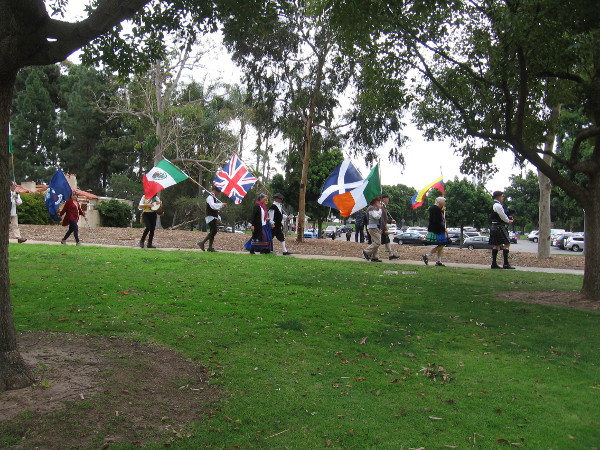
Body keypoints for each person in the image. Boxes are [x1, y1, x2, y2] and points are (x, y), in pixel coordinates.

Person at [489, 190, 515, 269]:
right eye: (502, 196)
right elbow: (502, 216)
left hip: (495, 226)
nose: (503, 197)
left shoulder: (496, 205)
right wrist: (508, 221)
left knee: (496, 245)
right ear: (498, 197)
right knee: (507, 243)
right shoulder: (497, 205)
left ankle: (494, 264)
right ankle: (506, 264)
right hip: (499, 226)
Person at [422, 196, 450, 266]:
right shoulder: (435, 209)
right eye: (443, 202)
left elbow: (440, 218)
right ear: (439, 202)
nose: (444, 203)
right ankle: (427, 255)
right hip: (437, 230)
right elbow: (436, 221)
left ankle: (438, 261)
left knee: (441, 245)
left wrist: (442, 211)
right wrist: (443, 228)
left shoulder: (437, 209)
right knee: (442, 244)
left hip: (439, 229)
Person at [198, 186, 227, 252]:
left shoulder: (213, 197)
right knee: (214, 231)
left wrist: (218, 217)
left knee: (212, 232)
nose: (218, 193)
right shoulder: (210, 197)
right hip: (210, 217)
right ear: (214, 190)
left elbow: (215, 210)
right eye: (217, 191)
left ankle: (210, 247)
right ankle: (202, 243)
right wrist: (221, 204)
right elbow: (213, 206)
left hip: (213, 216)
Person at [362, 197, 383, 262]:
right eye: (378, 201)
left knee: (375, 242)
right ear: (375, 202)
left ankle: (375, 257)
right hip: (372, 227)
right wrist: (380, 209)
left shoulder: (373, 208)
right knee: (378, 242)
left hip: (373, 226)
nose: (379, 203)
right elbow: (376, 216)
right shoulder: (371, 208)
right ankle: (366, 252)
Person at [380, 194, 399, 260]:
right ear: (383, 199)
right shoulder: (381, 207)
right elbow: (381, 219)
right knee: (376, 242)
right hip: (381, 228)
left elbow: (385, 219)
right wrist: (384, 229)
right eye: (387, 198)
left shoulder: (384, 207)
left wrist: (390, 221)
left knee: (387, 241)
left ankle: (391, 254)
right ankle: (367, 252)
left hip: (383, 227)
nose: (388, 200)